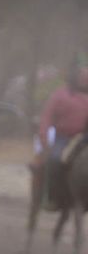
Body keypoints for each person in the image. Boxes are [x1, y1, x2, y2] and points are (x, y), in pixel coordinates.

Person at [35, 62, 88, 209]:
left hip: (84, 139)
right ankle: (54, 197)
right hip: (63, 138)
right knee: (55, 160)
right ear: (75, 78)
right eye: (83, 77)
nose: (86, 80)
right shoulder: (60, 95)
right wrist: (44, 139)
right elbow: (46, 119)